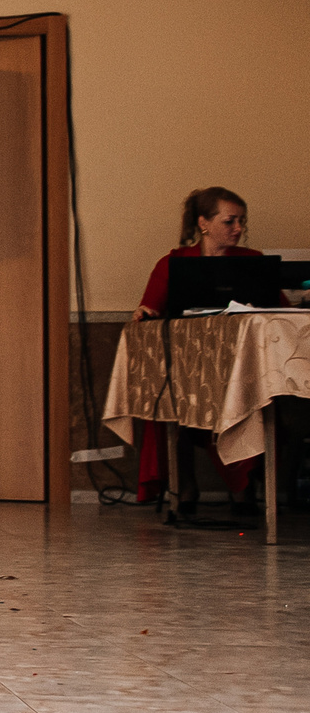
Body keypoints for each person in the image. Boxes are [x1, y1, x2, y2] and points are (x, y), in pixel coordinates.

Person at [132, 185, 262, 503]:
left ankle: (247, 487)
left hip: (240, 367)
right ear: (204, 223)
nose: (238, 229)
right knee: (179, 405)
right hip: (187, 367)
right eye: (230, 221)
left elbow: (276, 308)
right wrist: (143, 313)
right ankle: (186, 487)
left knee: (257, 401)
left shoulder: (254, 261)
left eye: (242, 221)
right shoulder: (173, 263)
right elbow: (150, 309)